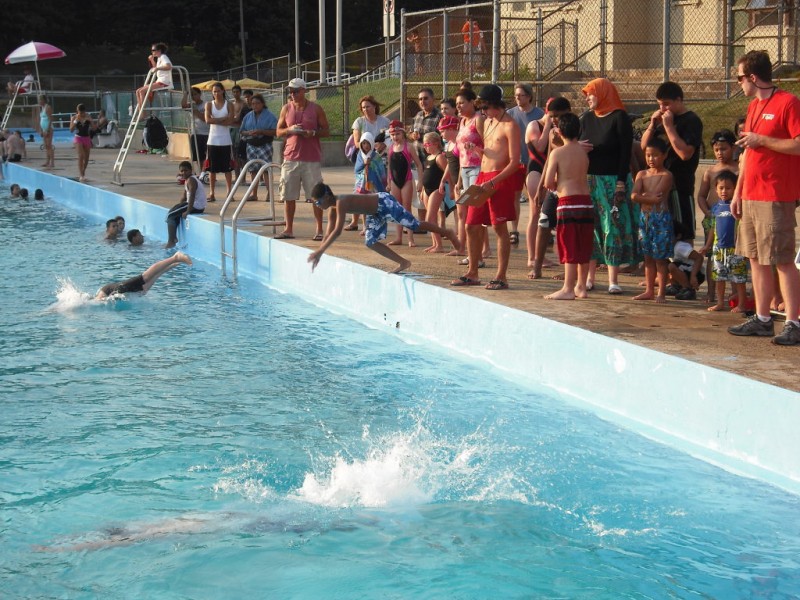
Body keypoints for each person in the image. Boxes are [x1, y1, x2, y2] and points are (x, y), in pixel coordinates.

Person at [728, 50, 800, 345]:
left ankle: (794, 322)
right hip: (751, 194)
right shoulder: (754, 107)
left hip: (775, 194)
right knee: (755, 258)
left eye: (740, 78)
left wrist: (763, 140)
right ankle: (762, 318)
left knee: (781, 259)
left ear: (753, 77)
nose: (739, 83)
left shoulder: (788, 103)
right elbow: (748, 153)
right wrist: (738, 191)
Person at [452, 84, 520, 290]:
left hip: (498, 180)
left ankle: (501, 276)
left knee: (499, 228)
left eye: (486, 107)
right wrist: (478, 150)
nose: (483, 111)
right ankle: (472, 272)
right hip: (482, 178)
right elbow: (492, 152)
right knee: (471, 225)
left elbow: (515, 162)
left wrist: (495, 181)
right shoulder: (488, 122)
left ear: (496, 105)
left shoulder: (510, 125)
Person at [308, 183, 458, 274]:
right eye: (315, 204)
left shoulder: (341, 202)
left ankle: (447, 232)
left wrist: (320, 251)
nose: (318, 206)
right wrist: (319, 253)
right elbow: (328, 233)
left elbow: (337, 231)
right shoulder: (332, 209)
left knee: (415, 225)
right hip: (374, 213)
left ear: (327, 196)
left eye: (318, 202)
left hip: (383, 202)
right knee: (370, 241)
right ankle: (403, 263)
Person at [580, 78, 639, 294]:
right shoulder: (586, 118)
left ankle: (613, 279)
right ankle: (590, 277)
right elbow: (575, 143)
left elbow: (625, 152)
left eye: (591, 93)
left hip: (613, 180)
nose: (587, 98)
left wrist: (621, 182)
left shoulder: (619, 118)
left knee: (612, 226)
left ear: (603, 93)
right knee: (592, 227)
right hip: (591, 181)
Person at [640, 81, 703, 242]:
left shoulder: (691, 120)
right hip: (658, 185)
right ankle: (661, 264)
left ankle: (684, 265)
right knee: (658, 229)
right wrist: (652, 126)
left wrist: (669, 127)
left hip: (679, 184)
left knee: (682, 230)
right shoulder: (662, 121)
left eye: (666, 104)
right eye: (660, 105)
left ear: (679, 100)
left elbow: (685, 153)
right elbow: (644, 146)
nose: (663, 109)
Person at [540, 112, 593, 300]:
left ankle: (568, 288)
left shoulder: (557, 153)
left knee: (569, 245)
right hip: (586, 203)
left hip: (568, 203)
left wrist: (557, 182)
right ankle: (581, 286)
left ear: (560, 131)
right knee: (583, 246)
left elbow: (548, 182)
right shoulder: (583, 152)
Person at [276, 77, 330, 240]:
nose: (292, 94)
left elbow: (326, 130)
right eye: (290, 91)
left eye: (295, 91)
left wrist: (312, 133)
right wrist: (290, 129)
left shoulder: (316, 109)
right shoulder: (286, 108)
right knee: (288, 195)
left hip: (311, 159)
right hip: (291, 157)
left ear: (303, 91)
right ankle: (288, 229)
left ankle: (319, 230)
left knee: (316, 195)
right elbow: (278, 131)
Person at [527, 97, 572, 279]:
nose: (554, 119)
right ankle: (537, 265)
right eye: (551, 116)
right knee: (543, 223)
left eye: (557, 116)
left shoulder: (575, 129)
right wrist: (540, 188)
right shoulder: (553, 131)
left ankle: (568, 268)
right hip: (553, 187)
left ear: (567, 112)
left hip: (569, 187)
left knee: (566, 229)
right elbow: (548, 160)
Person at [696, 129, 739, 304]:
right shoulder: (710, 171)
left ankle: (735, 293)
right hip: (713, 220)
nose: (720, 153)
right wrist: (708, 213)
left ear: (733, 148)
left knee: (735, 256)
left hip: (733, 219)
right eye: (716, 150)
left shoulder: (738, 170)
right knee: (713, 256)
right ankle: (711, 292)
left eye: (724, 149)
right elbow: (701, 196)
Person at [630, 137, 674, 303]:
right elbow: (633, 196)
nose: (651, 159)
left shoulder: (667, 175)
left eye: (655, 155)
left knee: (660, 259)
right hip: (645, 219)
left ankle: (661, 292)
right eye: (648, 155)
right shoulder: (641, 174)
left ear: (664, 155)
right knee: (647, 257)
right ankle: (649, 290)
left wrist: (643, 196)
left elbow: (658, 197)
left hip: (660, 219)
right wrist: (644, 196)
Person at [707, 170, 749, 313]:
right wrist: (708, 245)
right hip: (719, 249)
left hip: (736, 249)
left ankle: (742, 304)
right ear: (716, 189)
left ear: (735, 188)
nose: (724, 191)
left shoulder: (738, 205)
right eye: (721, 188)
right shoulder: (716, 208)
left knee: (739, 279)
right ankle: (720, 303)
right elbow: (713, 228)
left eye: (728, 188)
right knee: (719, 278)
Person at [507, 83, 544, 245]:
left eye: (521, 95)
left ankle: (542, 228)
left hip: (534, 162)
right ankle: (514, 230)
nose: (518, 98)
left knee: (536, 198)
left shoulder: (539, 113)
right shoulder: (510, 114)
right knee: (515, 196)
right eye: (516, 95)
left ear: (529, 96)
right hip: (516, 161)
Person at [346, 95, 391, 231]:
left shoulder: (384, 121)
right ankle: (355, 221)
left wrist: (383, 144)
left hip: (379, 160)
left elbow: (390, 136)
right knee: (360, 190)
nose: (365, 109)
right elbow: (356, 142)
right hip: (364, 160)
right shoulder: (359, 122)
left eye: (368, 106)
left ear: (374, 106)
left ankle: (377, 221)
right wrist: (370, 146)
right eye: (363, 107)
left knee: (377, 191)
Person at [452, 86, 485, 259]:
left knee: (474, 215)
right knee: (466, 214)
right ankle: (475, 253)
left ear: (472, 102)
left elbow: (488, 146)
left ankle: (477, 255)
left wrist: (476, 148)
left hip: (477, 169)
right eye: (457, 104)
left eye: (462, 103)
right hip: (464, 170)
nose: (459, 106)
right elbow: (460, 154)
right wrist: (457, 180)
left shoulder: (478, 119)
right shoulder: (462, 121)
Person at [386, 120, 424, 246]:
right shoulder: (390, 148)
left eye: (397, 134)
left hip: (407, 179)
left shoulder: (409, 147)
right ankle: (398, 237)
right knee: (397, 209)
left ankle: (410, 238)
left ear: (402, 134)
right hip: (395, 181)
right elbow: (389, 166)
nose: (394, 137)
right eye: (392, 135)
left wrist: (420, 182)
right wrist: (388, 181)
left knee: (407, 209)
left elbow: (419, 165)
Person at [95, 253, 192, 300]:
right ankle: (170, 266)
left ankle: (175, 257)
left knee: (145, 277)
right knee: (144, 290)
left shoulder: (92, 301)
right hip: (118, 292)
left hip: (118, 288)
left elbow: (99, 299)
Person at [239, 93, 278, 202]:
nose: (255, 106)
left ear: (262, 104)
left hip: (265, 145)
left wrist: (261, 131)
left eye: (257, 103)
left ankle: (270, 194)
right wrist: (249, 133)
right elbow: (242, 131)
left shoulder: (270, 116)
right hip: (251, 145)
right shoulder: (248, 116)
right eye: (253, 104)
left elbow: (275, 131)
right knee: (253, 170)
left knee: (266, 170)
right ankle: (254, 194)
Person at [420, 131, 451, 253]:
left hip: (436, 190)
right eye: (424, 144)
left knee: (430, 218)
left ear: (436, 143)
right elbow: (425, 175)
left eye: (427, 144)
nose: (425, 146)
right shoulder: (428, 158)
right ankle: (435, 243)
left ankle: (439, 245)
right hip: (427, 190)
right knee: (431, 219)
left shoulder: (440, 157)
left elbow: (448, 174)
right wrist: (422, 189)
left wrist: (451, 188)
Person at [204, 82, 235, 202]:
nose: (216, 93)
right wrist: (223, 118)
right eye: (214, 91)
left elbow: (230, 121)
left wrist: (216, 120)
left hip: (225, 141)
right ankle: (212, 193)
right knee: (212, 169)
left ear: (223, 91)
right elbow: (207, 120)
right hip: (212, 140)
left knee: (227, 169)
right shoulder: (209, 105)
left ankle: (229, 193)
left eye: (218, 91)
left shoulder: (229, 104)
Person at [166, 161, 207, 248]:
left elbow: (192, 195)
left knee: (170, 215)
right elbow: (184, 197)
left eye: (186, 170)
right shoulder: (187, 180)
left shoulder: (191, 180)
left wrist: (188, 210)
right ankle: (174, 238)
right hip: (192, 204)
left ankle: (171, 241)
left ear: (191, 171)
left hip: (195, 206)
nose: (183, 173)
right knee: (173, 212)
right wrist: (178, 206)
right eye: (182, 171)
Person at [135, 43, 173, 110]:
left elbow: (169, 66)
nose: (152, 52)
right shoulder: (159, 58)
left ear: (159, 50)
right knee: (138, 91)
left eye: (153, 50)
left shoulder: (163, 56)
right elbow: (155, 67)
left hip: (164, 82)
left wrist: (158, 68)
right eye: (152, 50)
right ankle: (141, 112)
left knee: (141, 91)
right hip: (160, 81)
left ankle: (143, 114)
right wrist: (152, 60)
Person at [182, 87, 209, 167]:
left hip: (205, 133)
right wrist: (186, 93)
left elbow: (204, 118)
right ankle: (201, 173)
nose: (194, 96)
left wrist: (195, 110)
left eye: (195, 94)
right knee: (197, 156)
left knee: (206, 156)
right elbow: (183, 105)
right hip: (195, 133)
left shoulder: (206, 105)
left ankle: (205, 172)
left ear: (200, 94)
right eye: (192, 95)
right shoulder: (191, 105)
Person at [70, 104, 94, 182]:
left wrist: (90, 121)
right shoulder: (74, 117)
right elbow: (71, 130)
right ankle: (81, 175)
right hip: (78, 138)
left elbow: (94, 128)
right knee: (81, 156)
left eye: (82, 113)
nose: (81, 115)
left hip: (86, 138)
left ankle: (83, 172)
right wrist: (76, 121)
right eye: (80, 113)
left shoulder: (88, 116)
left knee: (86, 158)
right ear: (78, 112)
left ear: (85, 112)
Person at [37, 96, 54, 169]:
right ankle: (47, 161)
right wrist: (41, 130)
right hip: (44, 129)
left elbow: (50, 119)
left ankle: (52, 162)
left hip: (48, 129)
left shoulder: (48, 107)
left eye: (40, 100)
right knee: (46, 146)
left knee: (49, 145)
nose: (39, 102)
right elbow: (42, 120)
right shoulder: (42, 108)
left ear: (44, 100)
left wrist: (48, 129)